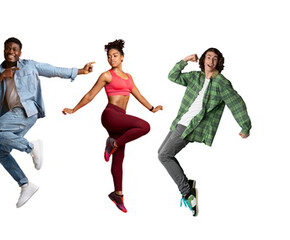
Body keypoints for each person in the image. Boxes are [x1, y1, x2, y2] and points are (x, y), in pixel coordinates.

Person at [0, 37, 94, 208]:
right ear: (3, 50)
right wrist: (1, 76)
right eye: (8, 49)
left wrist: (80, 71)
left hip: (27, 110)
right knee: (1, 153)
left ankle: (30, 147)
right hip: (11, 117)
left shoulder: (30, 65)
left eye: (15, 49)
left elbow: (53, 70)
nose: (11, 52)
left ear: (20, 52)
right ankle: (25, 185)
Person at [61, 39, 162, 213]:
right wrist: (73, 109)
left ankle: (118, 194)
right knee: (144, 127)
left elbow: (139, 95)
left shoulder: (129, 78)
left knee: (119, 158)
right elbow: (90, 94)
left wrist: (152, 108)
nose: (112, 59)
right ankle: (112, 144)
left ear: (122, 57)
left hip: (121, 119)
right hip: (110, 115)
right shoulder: (106, 75)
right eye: (109, 56)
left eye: (115, 55)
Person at [158, 48, 251, 217]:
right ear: (203, 59)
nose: (211, 61)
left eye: (215, 59)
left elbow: (236, 103)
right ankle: (188, 184)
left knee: (164, 155)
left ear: (219, 62)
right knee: (162, 153)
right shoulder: (196, 76)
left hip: (192, 126)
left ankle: (187, 192)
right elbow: (173, 76)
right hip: (179, 121)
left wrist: (245, 126)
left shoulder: (222, 83)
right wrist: (184, 60)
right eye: (208, 57)